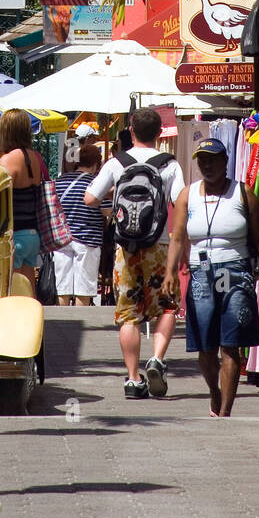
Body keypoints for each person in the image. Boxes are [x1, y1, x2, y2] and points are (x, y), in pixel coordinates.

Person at [163, 138, 259, 418]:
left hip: (236, 272)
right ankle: (214, 391)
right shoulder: (187, 195)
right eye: (202, 160)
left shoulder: (243, 192)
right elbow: (177, 238)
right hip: (201, 273)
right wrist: (169, 273)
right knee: (205, 345)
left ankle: (225, 409)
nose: (207, 165)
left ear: (226, 162)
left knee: (231, 342)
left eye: (213, 159)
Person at [84, 106, 185, 400]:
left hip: (125, 249)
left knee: (128, 314)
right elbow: (180, 201)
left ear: (130, 129)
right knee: (166, 306)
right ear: (159, 133)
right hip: (160, 245)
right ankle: (156, 359)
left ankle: (132, 378)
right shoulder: (170, 164)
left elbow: (89, 197)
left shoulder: (117, 163)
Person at [0, 107, 48, 293]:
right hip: (32, 234)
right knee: (28, 287)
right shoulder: (34, 157)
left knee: (11, 288)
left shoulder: (8, 159)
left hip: (15, 234)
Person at [53, 144, 106, 305]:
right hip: (87, 240)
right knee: (83, 290)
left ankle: (64, 324)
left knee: (63, 288)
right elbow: (106, 212)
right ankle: (80, 320)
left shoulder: (60, 181)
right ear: (96, 164)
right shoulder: (97, 184)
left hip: (62, 239)